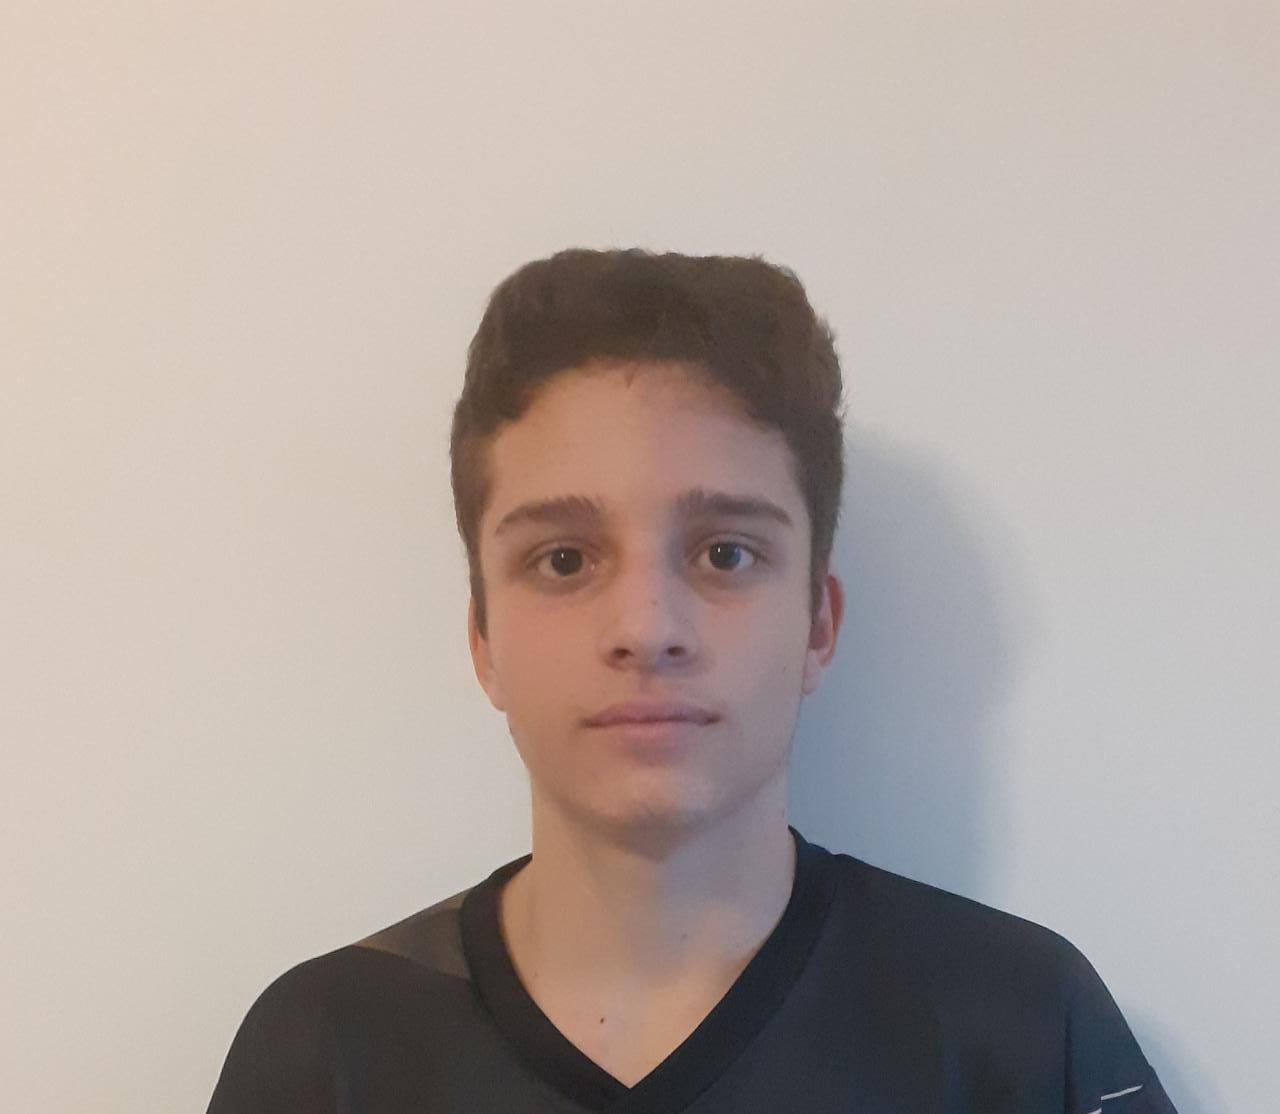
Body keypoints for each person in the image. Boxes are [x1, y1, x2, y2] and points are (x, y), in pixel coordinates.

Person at [206, 248, 1178, 1113]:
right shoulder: (327, 1049)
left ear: (818, 624)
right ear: (482, 639)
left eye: (724, 553)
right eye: (562, 559)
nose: (646, 629)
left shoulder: (1018, 1028)